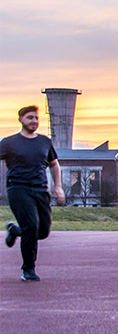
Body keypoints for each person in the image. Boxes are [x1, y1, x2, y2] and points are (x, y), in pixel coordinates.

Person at [1, 105, 65, 281]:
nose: (34, 121)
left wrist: (58, 187)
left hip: (40, 189)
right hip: (18, 188)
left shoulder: (44, 142)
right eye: (30, 118)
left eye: (36, 118)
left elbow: (54, 164)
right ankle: (28, 269)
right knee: (31, 226)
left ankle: (15, 230)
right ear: (20, 119)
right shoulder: (9, 142)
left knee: (42, 231)